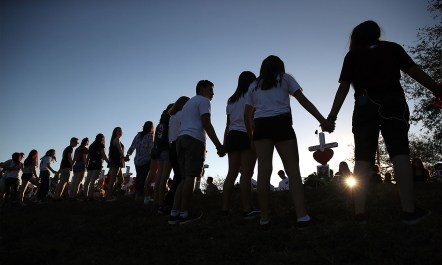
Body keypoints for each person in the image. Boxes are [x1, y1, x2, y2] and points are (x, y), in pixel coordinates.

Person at [326, 20, 441, 225]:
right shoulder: (392, 48)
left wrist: (332, 117)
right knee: (399, 154)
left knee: (362, 158)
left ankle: (359, 213)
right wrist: (436, 89)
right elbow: (414, 71)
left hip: (363, 106)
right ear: (376, 33)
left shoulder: (352, 55)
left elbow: (343, 88)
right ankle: (409, 211)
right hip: (393, 104)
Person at [244, 55, 334, 228]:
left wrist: (251, 137)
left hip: (261, 126)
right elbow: (303, 101)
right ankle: (302, 216)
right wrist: (323, 120)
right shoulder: (285, 78)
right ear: (280, 67)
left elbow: (246, 114)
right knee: (292, 170)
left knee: (263, 171)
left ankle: (264, 218)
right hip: (282, 123)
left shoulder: (254, 85)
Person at [168, 80, 226, 225]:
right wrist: (219, 145)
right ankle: (185, 213)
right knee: (191, 177)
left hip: (180, 140)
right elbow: (206, 123)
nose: (213, 93)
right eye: (210, 89)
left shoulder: (188, 104)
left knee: (182, 178)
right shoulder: (204, 101)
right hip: (194, 139)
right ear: (202, 88)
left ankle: (174, 213)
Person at [221, 71, 259, 219]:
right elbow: (251, 119)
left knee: (232, 172)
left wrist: (225, 143)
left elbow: (228, 124)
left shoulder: (231, 100)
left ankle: (224, 209)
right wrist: (252, 138)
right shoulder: (252, 96)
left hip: (232, 136)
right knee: (246, 174)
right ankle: (247, 209)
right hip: (246, 134)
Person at [164, 96, 190, 211]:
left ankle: (169, 202)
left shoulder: (172, 117)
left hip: (172, 147)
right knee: (181, 177)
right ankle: (172, 203)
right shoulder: (183, 115)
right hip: (180, 145)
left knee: (177, 176)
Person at [153, 104, 174, 214]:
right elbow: (170, 137)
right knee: (164, 177)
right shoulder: (170, 121)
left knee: (159, 177)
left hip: (159, 150)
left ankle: (156, 202)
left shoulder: (159, 124)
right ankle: (161, 203)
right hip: (166, 149)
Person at [126, 121, 154, 199]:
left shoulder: (138, 135)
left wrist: (128, 155)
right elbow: (151, 148)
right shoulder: (149, 136)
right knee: (143, 177)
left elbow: (132, 146)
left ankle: (136, 192)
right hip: (146, 160)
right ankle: (139, 194)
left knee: (139, 177)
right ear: (151, 127)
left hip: (137, 160)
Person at [83, 134, 109, 201]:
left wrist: (86, 163)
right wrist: (108, 162)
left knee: (87, 180)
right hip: (97, 163)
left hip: (91, 163)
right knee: (93, 180)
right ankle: (90, 196)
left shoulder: (91, 145)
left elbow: (88, 156)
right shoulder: (101, 144)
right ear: (102, 138)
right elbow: (103, 154)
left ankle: (85, 196)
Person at [106, 127, 126, 202]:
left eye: (121, 131)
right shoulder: (116, 140)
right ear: (115, 132)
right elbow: (120, 151)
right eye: (119, 131)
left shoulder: (116, 140)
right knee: (113, 179)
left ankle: (110, 192)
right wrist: (124, 158)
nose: (120, 132)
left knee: (121, 180)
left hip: (118, 162)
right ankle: (109, 197)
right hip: (116, 162)